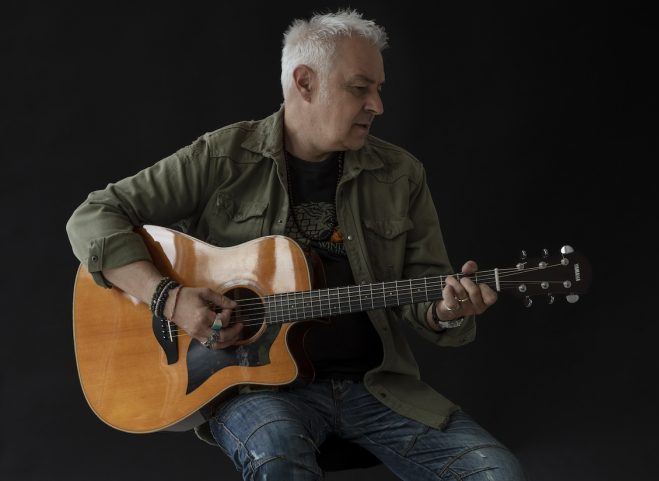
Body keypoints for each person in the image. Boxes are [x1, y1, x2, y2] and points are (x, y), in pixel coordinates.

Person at [66, 8, 527, 481]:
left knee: (498, 473)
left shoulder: (400, 174)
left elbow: (425, 287)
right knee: (279, 459)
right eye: (360, 88)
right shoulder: (224, 156)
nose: (377, 105)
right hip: (256, 391)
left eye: (379, 89)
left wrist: (446, 310)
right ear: (305, 83)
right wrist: (169, 298)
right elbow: (92, 217)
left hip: (374, 387)